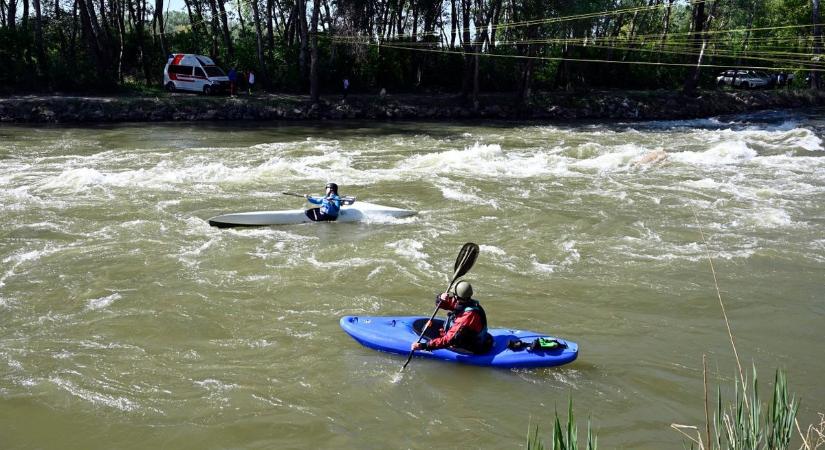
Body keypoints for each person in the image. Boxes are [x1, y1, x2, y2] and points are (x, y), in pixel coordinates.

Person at [411, 281, 493, 355]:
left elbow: (449, 340)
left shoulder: (468, 316)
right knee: (423, 326)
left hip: (469, 345)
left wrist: (424, 346)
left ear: (457, 297)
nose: (452, 297)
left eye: (453, 295)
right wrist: (441, 298)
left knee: (426, 330)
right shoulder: (464, 302)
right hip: (463, 335)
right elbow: (441, 304)